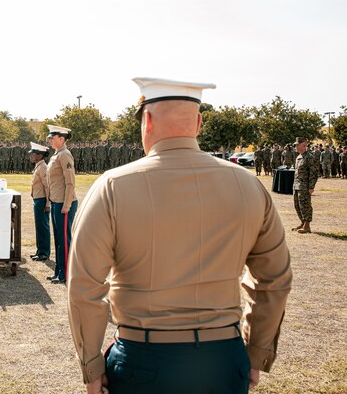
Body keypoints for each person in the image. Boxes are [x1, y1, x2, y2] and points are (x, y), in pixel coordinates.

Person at [68, 77, 292, 394]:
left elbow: (85, 287)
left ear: (146, 119)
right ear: (198, 123)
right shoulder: (248, 186)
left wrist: (91, 366)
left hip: (143, 360)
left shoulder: (113, 187)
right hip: (223, 359)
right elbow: (275, 279)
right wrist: (256, 352)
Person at [46, 125, 77, 284]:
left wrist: (67, 204)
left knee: (64, 239)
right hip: (56, 201)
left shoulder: (65, 155)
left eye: (53, 137)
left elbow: (70, 182)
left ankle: (65, 273)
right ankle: (58, 271)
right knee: (58, 239)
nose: (50, 140)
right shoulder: (57, 155)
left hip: (64, 203)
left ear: (62, 138)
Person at [292, 137, 319, 234]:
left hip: (304, 186)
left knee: (305, 205)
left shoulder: (309, 157)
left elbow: (314, 173)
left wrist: (311, 187)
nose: (295, 146)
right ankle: (302, 222)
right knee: (297, 205)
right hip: (297, 185)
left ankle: (307, 225)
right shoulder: (299, 157)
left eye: (297, 145)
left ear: (303, 145)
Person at [29, 142, 51, 261]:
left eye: (33, 154)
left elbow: (47, 187)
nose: (31, 156)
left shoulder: (43, 167)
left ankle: (44, 252)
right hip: (38, 199)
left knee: (43, 226)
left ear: (40, 155)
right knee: (39, 226)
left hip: (42, 200)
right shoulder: (38, 165)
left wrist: (47, 203)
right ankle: (40, 250)